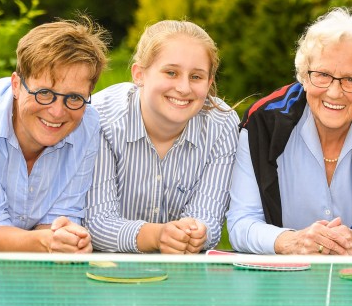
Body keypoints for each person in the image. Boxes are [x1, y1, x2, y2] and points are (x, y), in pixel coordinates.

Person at [227, 8, 352, 255]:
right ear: (304, 75)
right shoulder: (263, 123)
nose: (335, 92)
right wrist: (291, 242)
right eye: (323, 75)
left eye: (351, 79)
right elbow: (241, 223)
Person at [0, 17, 109, 252]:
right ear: (16, 85)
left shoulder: (86, 124)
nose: (57, 112)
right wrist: (50, 242)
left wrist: (66, 240)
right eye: (45, 93)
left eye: (74, 98)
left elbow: (57, 221)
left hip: (28, 269)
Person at [85, 20, 239, 254]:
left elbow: (209, 217)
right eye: (171, 73)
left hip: (183, 271)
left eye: (196, 77)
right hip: (109, 269)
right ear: (139, 74)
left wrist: (196, 232)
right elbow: (98, 223)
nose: (184, 88)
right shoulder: (100, 118)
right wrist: (158, 236)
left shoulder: (222, 125)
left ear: (209, 83)